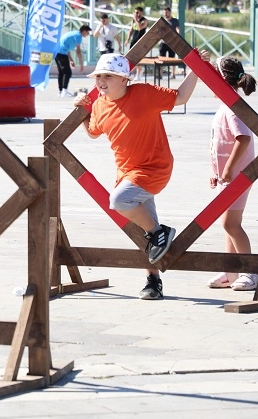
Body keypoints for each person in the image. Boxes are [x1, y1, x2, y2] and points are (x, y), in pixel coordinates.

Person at [74, 50, 210, 300]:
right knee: (142, 230)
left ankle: (161, 233)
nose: (101, 81)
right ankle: (153, 281)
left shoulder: (144, 93)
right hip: (127, 173)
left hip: (154, 168)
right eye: (98, 76)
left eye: (108, 76)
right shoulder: (100, 105)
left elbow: (180, 97)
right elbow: (93, 132)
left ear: (125, 78)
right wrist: (83, 111)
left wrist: (196, 69)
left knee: (119, 202)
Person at [207, 57, 258, 291]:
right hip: (226, 177)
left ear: (221, 80)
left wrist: (228, 169)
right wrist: (215, 171)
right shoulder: (225, 104)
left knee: (231, 224)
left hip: (237, 176)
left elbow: (244, 138)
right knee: (227, 224)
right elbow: (219, 141)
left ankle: (250, 271)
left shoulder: (232, 107)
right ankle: (230, 271)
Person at [56, 25, 90, 98]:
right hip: (61, 53)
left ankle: (61, 91)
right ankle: (64, 91)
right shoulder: (79, 36)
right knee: (67, 72)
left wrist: (71, 60)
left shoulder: (74, 33)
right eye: (87, 33)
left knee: (61, 72)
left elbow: (66, 48)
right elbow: (78, 51)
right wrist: (81, 64)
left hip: (57, 52)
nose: (87, 35)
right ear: (84, 31)